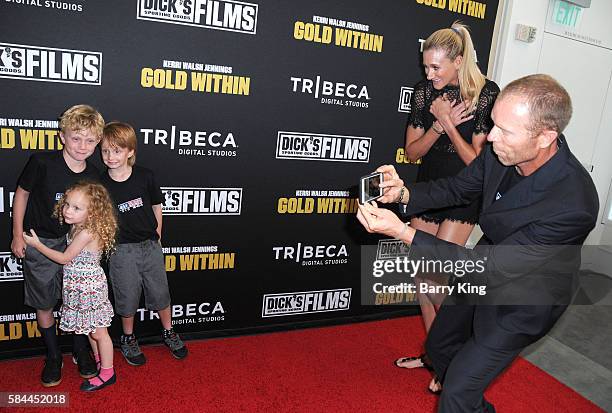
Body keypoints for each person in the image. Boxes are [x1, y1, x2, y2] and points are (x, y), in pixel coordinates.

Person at [357, 74, 599, 412]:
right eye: (493, 124)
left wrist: (403, 233)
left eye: (505, 131)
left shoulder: (575, 204)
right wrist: (404, 193)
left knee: (456, 392)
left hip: (524, 300)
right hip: (486, 267)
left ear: (546, 136)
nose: (492, 137)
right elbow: (457, 189)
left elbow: (490, 271)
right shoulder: (500, 151)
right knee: (440, 347)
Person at [396, 21, 499, 380]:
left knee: (437, 277)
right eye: (426, 66)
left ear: (458, 60)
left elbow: (477, 162)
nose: (429, 73)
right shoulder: (424, 92)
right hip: (428, 187)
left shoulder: (485, 94)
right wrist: (437, 126)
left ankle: (462, 357)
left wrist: (450, 125)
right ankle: (435, 359)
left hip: (464, 191)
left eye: (436, 67)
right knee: (422, 277)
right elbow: (411, 153)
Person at [11, 104, 103, 387]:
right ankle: (53, 356)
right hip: (39, 242)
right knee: (44, 302)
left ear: (98, 141)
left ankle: (80, 351)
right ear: (62, 136)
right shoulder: (42, 162)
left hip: (75, 246)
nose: (82, 145)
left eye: (90, 140)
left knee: (75, 301)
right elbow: (22, 194)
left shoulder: (96, 174)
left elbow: (97, 215)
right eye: (76, 138)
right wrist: (17, 234)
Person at [100, 121, 187, 365]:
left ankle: (168, 331)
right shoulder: (100, 184)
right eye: (105, 150)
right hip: (121, 251)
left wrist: (158, 235)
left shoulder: (145, 176)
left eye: (117, 150)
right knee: (126, 295)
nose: (110, 156)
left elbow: (157, 206)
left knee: (160, 291)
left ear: (130, 151)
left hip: (150, 245)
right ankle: (128, 338)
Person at [23, 181, 118, 391]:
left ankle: (108, 373)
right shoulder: (77, 227)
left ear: (92, 212)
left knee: (99, 333)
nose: (67, 210)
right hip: (79, 287)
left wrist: (37, 245)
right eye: (67, 204)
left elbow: (65, 258)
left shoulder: (86, 232)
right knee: (91, 330)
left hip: (90, 288)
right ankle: (100, 361)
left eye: (77, 208)